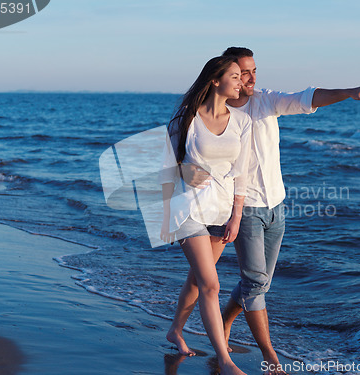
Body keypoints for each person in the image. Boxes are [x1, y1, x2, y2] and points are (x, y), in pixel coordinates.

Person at [173, 47, 360, 373]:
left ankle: (208, 324)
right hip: (234, 209)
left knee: (242, 281)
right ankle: (270, 357)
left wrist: (348, 92)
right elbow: (180, 159)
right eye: (244, 72)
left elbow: (307, 97)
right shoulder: (207, 113)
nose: (252, 77)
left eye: (255, 70)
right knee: (246, 283)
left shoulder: (266, 101)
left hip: (276, 205)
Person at [159, 55, 252, 375]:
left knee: (198, 280)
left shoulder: (242, 122)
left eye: (242, 77)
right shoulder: (187, 118)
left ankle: (175, 330)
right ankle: (225, 361)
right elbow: (166, 168)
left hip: (222, 211)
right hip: (188, 210)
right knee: (211, 284)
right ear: (215, 79)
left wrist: (236, 216)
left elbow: (242, 174)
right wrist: (166, 218)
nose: (242, 81)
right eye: (236, 76)